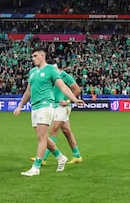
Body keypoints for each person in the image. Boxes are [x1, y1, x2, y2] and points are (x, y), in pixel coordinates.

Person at [13, 48, 85, 177]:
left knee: (42, 136)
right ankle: (60, 157)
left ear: (42, 56)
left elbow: (62, 86)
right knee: (43, 137)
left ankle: (36, 167)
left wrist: (73, 100)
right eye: (32, 56)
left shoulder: (51, 70)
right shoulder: (32, 72)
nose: (33, 58)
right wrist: (20, 106)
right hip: (34, 106)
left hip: (46, 105)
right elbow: (28, 91)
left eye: (35, 56)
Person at [40, 61, 84, 165]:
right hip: (55, 106)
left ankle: (42, 158)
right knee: (67, 132)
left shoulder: (65, 76)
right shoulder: (51, 77)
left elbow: (77, 89)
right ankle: (77, 156)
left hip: (63, 107)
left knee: (53, 130)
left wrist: (68, 101)